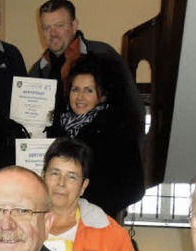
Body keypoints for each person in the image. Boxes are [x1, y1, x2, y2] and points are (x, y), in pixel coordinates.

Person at [30, 0, 145, 146]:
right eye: (46, 28)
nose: (53, 34)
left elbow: (134, 111)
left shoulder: (103, 56)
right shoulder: (38, 70)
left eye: (60, 26)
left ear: (74, 25)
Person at [46, 55, 144, 218]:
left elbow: (134, 188)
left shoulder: (118, 132)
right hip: (56, 219)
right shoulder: (55, 129)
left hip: (97, 220)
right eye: (75, 89)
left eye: (88, 90)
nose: (80, 97)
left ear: (102, 96)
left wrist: (93, 208)